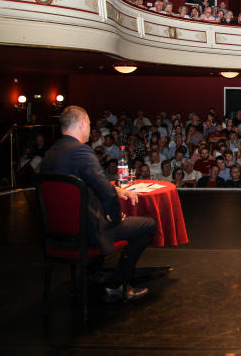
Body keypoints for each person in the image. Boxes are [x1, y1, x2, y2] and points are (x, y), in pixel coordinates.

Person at [40, 106, 155, 302]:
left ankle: (94, 274)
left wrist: (116, 190)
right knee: (147, 225)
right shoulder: (81, 152)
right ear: (83, 123)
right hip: (88, 232)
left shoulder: (50, 153)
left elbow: (77, 188)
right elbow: (106, 193)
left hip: (58, 233)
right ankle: (118, 284)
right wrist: (117, 217)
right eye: (89, 125)